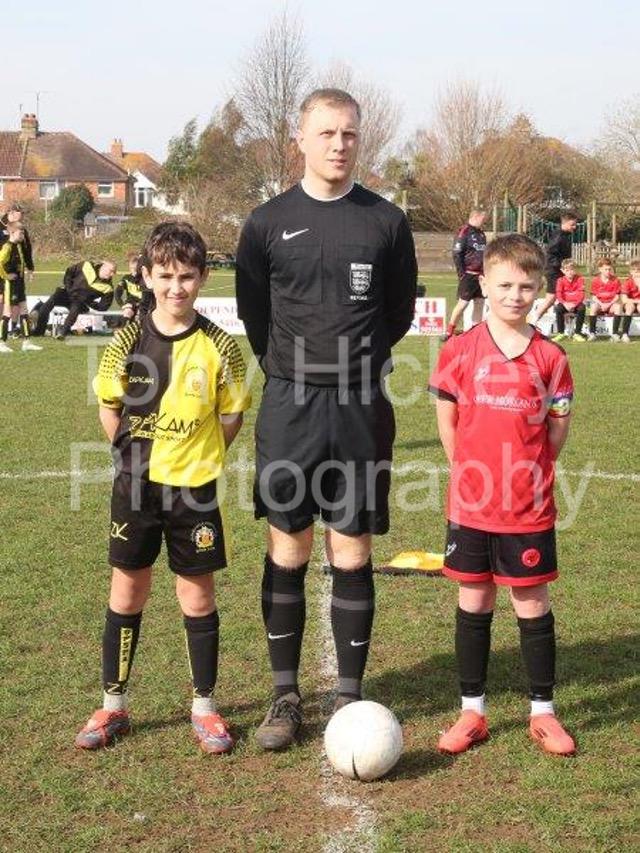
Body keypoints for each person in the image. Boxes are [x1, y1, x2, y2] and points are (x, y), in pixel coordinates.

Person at [235, 88, 417, 750]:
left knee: (353, 547)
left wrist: (351, 365)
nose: (339, 144)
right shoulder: (265, 222)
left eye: (350, 134)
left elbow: (397, 312)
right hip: (290, 404)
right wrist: (294, 367)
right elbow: (255, 312)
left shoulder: (386, 221)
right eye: (327, 133)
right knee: (288, 545)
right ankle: (285, 695)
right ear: (301, 138)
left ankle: (348, 695)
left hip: (360, 403)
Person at [75, 221, 251, 753]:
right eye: (166, 276)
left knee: (197, 596)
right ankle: (113, 704)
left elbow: (231, 417)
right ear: (147, 276)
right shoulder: (126, 341)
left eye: (187, 276)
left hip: (194, 491)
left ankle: (205, 708)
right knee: (127, 591)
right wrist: (133, 458)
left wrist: (197, 457)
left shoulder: (222, 346)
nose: (177, 287)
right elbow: (110, 409)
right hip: (136, 488)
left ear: (203, 278)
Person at [429, 233, 576, 757]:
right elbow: (447, 419)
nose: (516, 295)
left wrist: (528, 473)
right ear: (485, 285)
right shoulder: (459, 349)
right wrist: (469, 471)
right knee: (474, 600)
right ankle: (473, 711)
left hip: (527, 506)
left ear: (540, 288)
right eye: (505, 285)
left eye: (526, 286)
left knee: (531, 602)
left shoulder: (551, 357)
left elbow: (556, 431)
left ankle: (543, 712)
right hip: (472, 504)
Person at [31, 260, 116, 338]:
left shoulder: (108, 288)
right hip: (67, 293)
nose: (112, 274)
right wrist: (68, 288)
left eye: (114, 272)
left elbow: (103, 307)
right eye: (111, 271)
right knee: (49, 303)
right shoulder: (86, 265)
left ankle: (62, 333)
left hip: (79, 302)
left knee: (75, 309)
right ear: (103, 267)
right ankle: (39, 331)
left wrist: (88, 301)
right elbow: (69, 272)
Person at [443, 209, 487, 340]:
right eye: (483, 219)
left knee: (480, 303)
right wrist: (461, 273)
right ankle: (449, 331)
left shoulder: (481, 234)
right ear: (475, 217)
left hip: (480, 275)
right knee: (463, 303)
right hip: (468, 274)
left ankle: (476, 331)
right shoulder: (464, 231)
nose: (484, 221)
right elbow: (457, 253)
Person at [530, 212, 579, 326]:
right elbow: (550, 255)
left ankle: (567, 325)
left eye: (575, 224)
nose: (574, 227)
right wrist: (562, 267)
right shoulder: (558, 237)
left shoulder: (565, 235)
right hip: (554, 271)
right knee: (552, 297)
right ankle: (534, 319)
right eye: (572, 224)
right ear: (564, 223)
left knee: (566, 296)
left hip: (560, 270)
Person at [0, 221, 42, 352]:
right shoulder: (7, 247)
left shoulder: (19, 245)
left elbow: (23, 261)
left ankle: (26, 342)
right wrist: (6, 276)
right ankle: (2, 343)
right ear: (12, 232)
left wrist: (28, 272)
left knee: (24, 311)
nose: (23, 235)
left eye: (23, 233)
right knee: (7, 313)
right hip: (10, 285)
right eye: (20, 233)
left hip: (19, 283)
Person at [587, 258, 622, 341]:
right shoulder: (595, 280)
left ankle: (615, 334)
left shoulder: (616, 280)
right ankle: (592, 333)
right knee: (593, 307)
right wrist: (602, 304)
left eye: (609, 269)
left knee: (618, 307)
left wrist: (608, 304)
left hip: (611, 305)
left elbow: (617, 296)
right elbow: (594, 296)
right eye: (606, 269)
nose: (608, 271)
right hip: (600, 304)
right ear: (600, 269)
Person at [552, 259, 587, 342]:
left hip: (576, 304)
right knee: (558, 308)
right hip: (565, 304)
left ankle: (577, 333)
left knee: (582, 308)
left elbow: (581, 294)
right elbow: (558, 294)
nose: (570, 272)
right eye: (567, 270)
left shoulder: (580, 279)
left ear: (575, 270)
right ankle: (561, 333)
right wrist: (565, 304)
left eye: (572, 269)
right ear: (562, 271)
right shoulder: (560, 280)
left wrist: (574, 304)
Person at [114, 252, 144, 323]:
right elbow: (117, 292)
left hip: (143, 303)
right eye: (131, 268)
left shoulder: (145, 278)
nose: (134, 271)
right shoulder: (126, 278)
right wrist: (122, 304)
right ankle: (123, 326)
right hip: (131, 303)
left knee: (140, 315)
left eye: (136, 269)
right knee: (127, 312)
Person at [619, 258, 640, 343]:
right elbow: (624, 299)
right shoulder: (628, 282)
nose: (637, 273)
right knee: (630, 307)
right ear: (631, 272)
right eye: (634, 270)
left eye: (639, 270)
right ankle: (624, 334)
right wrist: (637, 301)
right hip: (630, 303)